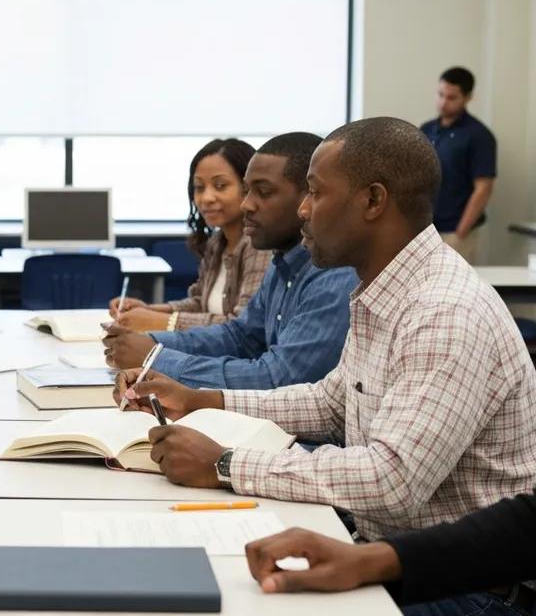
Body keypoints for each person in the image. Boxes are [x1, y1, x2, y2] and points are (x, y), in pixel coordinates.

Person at [120, 119, 536, 595]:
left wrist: (225, 464)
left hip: (462, 591)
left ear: (373, 201)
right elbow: (332, 403)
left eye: (315, 193)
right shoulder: (386, 288)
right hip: (390, 554)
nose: (303, 209)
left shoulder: (443, 311)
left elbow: (392, 482)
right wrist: (202, 400)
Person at [103, 132, 359, 390]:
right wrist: (150, 341)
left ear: (308, 197)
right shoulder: (282, 262)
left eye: (263, 192)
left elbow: (279, 378)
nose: (246, 205)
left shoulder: (335, 275)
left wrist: (155, 357)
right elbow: (240, 337)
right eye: (247, 191)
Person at [246, 489, 536, 615]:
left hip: (482, 594)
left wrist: (230, 464)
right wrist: (368, 561)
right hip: (423, 560)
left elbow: (391, 484)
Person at [108, 138, 271, 332]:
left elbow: (245, 326)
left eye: (220, 185)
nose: (206, 198)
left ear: (248, 188)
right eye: (199, 188)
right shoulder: (217, 243)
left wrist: (165, 322)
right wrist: (149, 311)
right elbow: (200, 302)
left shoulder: (260, 246)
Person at [420, 67, 496, 264]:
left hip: (457, 232)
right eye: (440, 95)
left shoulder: (479, 136)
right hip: (426, 231)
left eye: (451, 98)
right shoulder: (427, 130)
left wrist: (461, 232)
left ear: (468, 97)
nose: (443, 102)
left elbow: (483, 188)